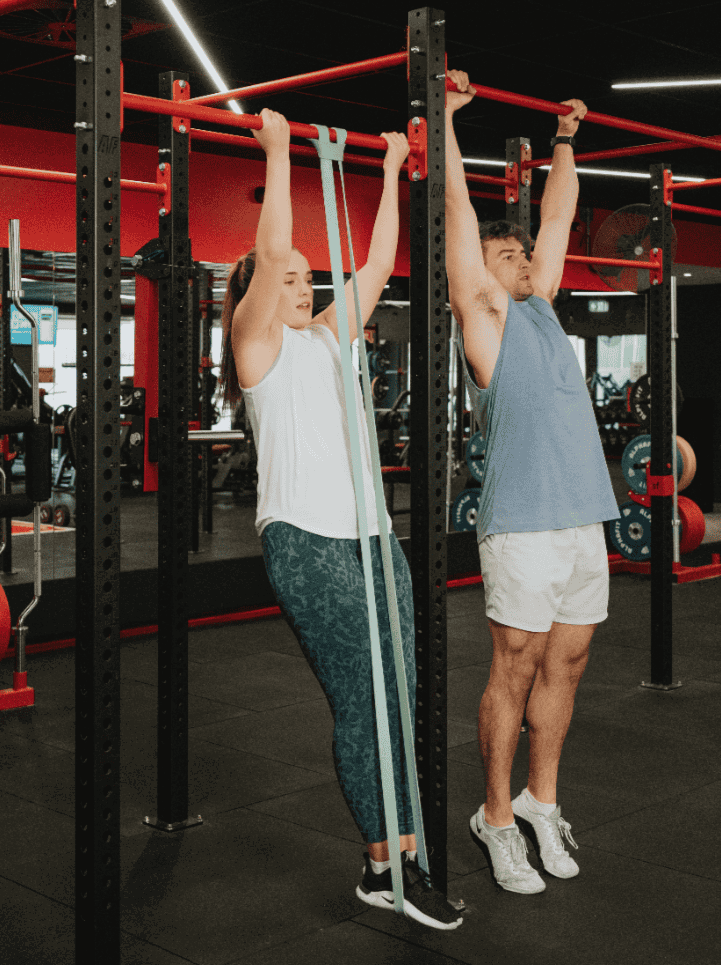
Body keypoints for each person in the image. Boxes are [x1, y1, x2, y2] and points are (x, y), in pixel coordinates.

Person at [218, 108, 463, 932]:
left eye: (305, 277)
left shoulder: (331, 338)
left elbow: (381, 263)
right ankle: (389, 864)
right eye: (288, 278)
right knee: (363, 699)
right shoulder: (258, 346)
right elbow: (272, 251)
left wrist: (390, 171)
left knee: (402, 694)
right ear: (256, 293)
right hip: (305, 540)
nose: (302, 284)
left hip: (374, 540)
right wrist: (282, 153)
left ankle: (396, 857)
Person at [443, 70, 620, 894]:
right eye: (504, 255)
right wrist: (445, 120)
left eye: (522, 255)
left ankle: (540, 803)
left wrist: (565, 138)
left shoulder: (542, 304)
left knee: (568, 664)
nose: (522, 259)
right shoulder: (485, 324)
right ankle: (495, 817)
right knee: (514, 668)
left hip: (583, 517)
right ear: (481, 275)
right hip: (520, 523)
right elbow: (456, 219)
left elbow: (557, 214)